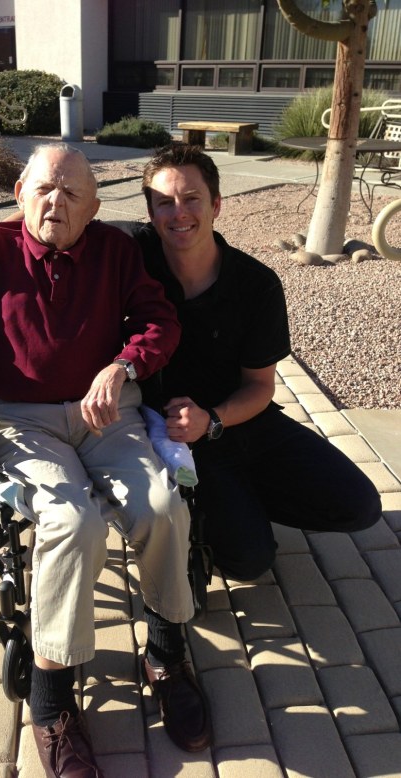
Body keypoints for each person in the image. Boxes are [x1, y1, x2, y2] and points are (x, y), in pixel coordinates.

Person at [0, 143, 210, 778]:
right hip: (18, 418)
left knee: (162, 504)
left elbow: (158, 322)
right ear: (20, 190)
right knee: (73, 522)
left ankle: (164, 650)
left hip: (106, 409)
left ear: (95, 208)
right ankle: (51, 703)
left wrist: (124, 364)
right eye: (46, 188)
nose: (57, 202)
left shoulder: (115, 251)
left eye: (73, 194)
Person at [133, 143, 382, 580]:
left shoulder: (256, 284)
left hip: (236, 420)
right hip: (174, 439)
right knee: (249, 561)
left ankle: (234, 504)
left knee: (359, 505)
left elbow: (260, 387)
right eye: (164, 203)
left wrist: (211, 418)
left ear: (216, 205)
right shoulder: (132, 256)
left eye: (192, 199)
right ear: (151, 213)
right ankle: (221, 517)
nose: (179, 213)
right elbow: (62, 214)